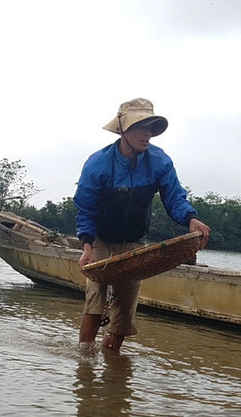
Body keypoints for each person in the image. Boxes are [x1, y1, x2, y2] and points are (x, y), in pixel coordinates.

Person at [73, 98, 211, 352]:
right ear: (123, 129)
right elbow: (86, 208)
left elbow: (174, 197)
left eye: (150, 127)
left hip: (135, 241)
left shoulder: (160, 161)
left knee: (125, 307)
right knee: (95, 297)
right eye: (140, 127)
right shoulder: (98, 163)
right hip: (101, 239)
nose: (147, 133)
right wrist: (87, 246)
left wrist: (190, 218)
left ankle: (111, 355)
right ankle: (84, 360)